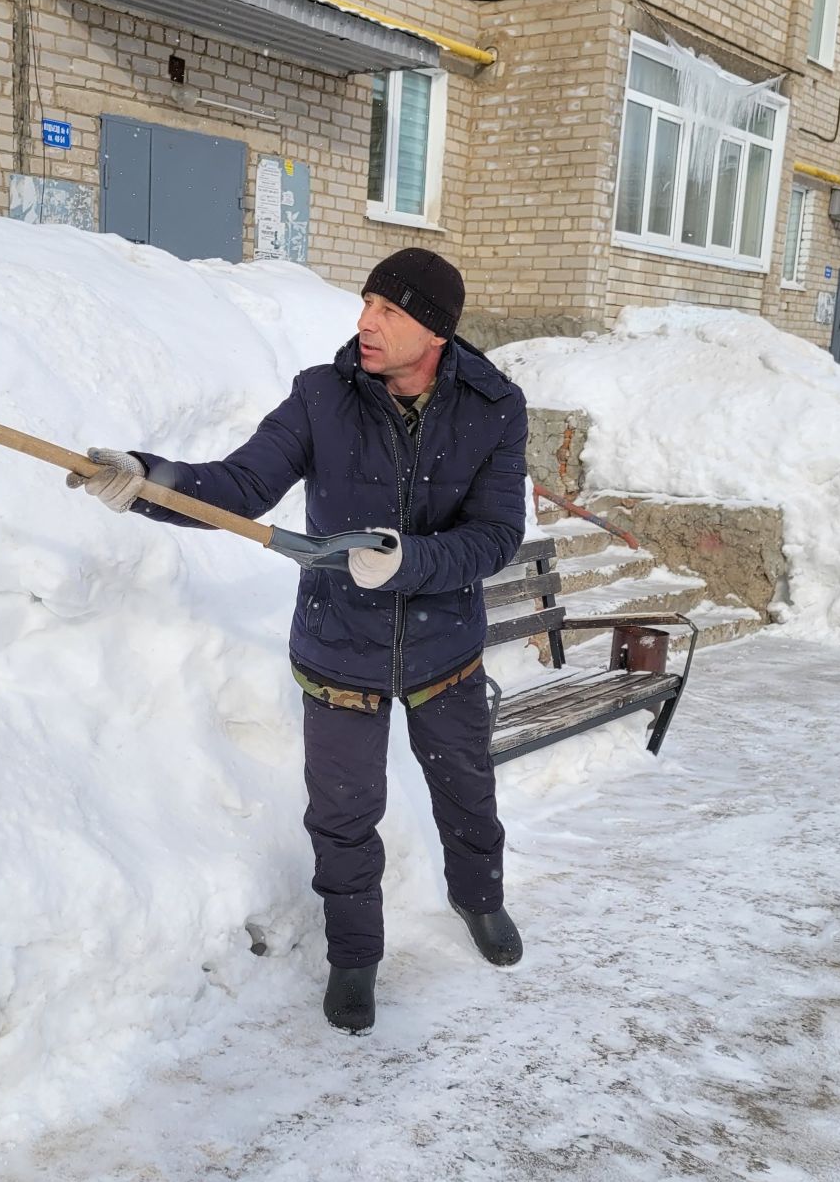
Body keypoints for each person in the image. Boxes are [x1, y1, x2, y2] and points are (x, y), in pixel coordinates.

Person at [70, 248, 529, 1035]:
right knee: (343, 813)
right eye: (366, 304)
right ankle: (355, 958)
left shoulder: (494, 406)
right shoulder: (323, 397)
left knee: (466, 789)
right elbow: (241, 486)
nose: (365, 323)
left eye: (389, 312)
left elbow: (495, 538)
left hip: (443, 648)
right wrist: (144, 481)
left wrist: (410, 560)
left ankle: (477, 898)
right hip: (339, 644)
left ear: (436, 331)